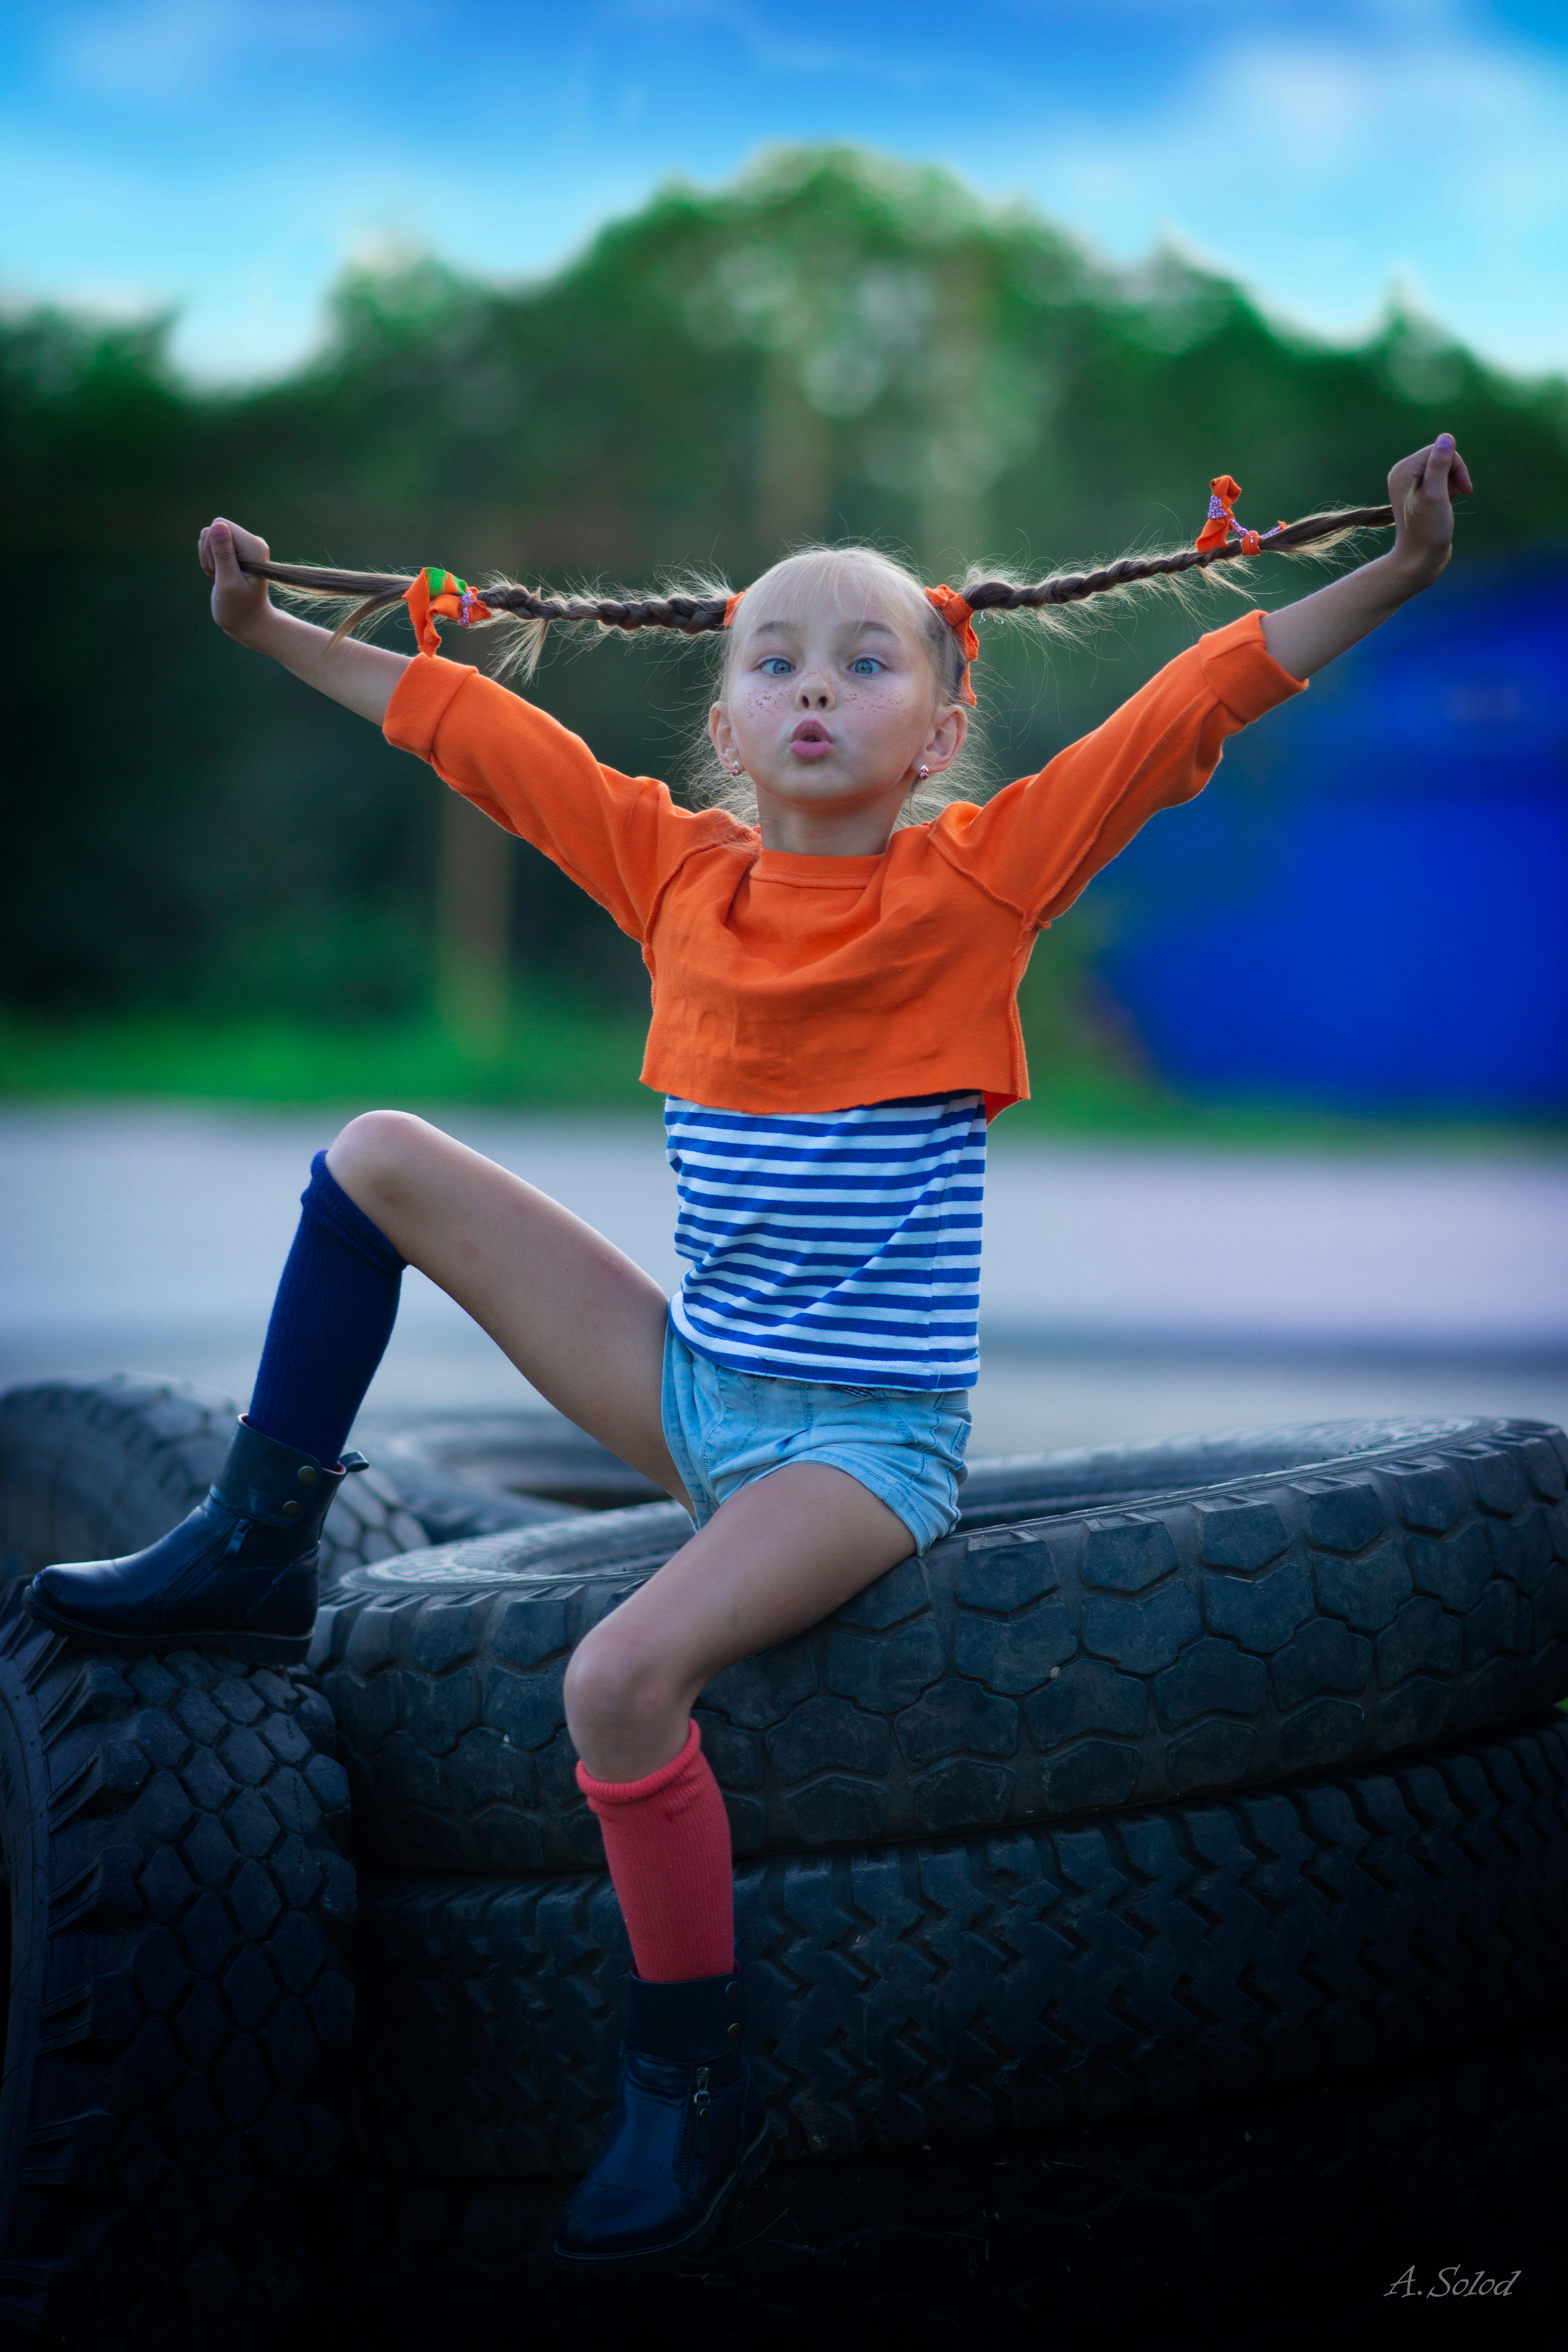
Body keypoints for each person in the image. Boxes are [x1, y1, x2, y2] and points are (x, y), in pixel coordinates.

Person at [24, 434, 1471, 2265]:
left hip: (859, 1450)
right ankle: (252, 1540)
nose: (815, 689)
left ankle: (693, 2086)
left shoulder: (983, 883)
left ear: (939, 730)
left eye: (866, 663)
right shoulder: (672, 876)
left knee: (618, 1680)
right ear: (725, 718)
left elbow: (1192, 705)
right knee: (381, 1155)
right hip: (691, 1391)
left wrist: (1397, 571)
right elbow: (475, 731)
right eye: (775, 660)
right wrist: (264, 629)